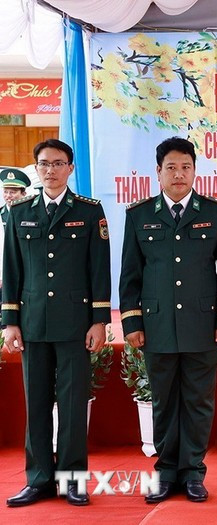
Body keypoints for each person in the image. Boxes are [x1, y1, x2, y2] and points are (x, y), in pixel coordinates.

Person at [119, 137, 217, 504]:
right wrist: (132, 323)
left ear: (194, 170)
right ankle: (166, 470)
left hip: (203, 325)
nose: (178, 174)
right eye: (171, 167)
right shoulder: (138, 215)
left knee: (199, 401)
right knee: (163, 400)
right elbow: (129, 275)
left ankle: (193, 472)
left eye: (185, 167)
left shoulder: (216, 213)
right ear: (158, 172)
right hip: (156, 325)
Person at [3, 139, 111, 507]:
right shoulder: (19, 212)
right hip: (32, 324)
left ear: (71, 168)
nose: (51, 170)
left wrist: (99, 321)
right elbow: (12, 271)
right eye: (44, 164)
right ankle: (38, 480)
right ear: (36, 168)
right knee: (35, 404)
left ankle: (72, 480)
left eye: (58, 163)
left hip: (74, 324)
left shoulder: (90, 211)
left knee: (72, 404)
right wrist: (9, 321)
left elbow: (99, 271)